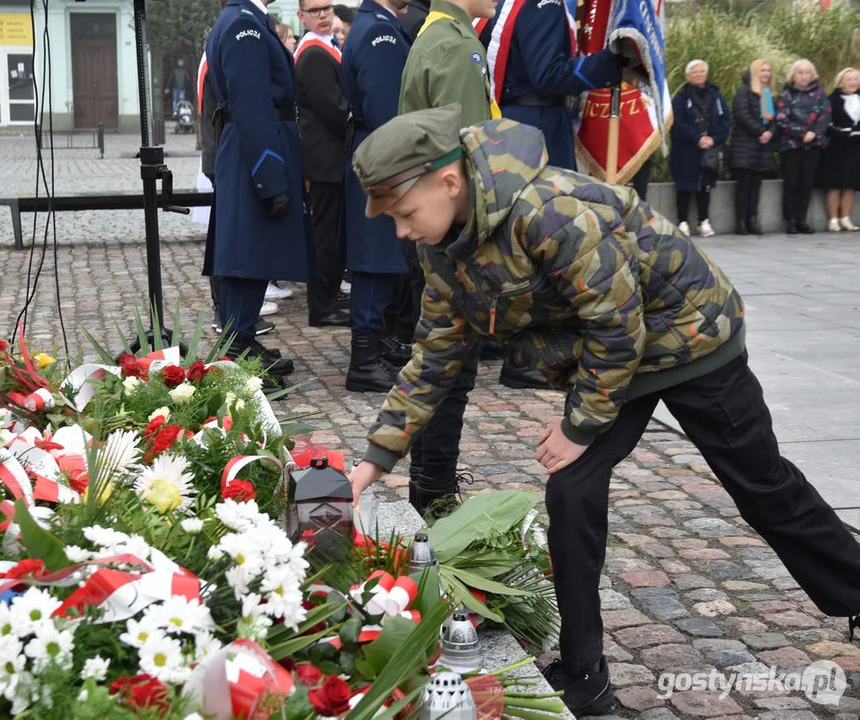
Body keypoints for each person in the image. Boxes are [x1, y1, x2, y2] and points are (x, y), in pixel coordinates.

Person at [347, 103, 860, 717]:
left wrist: (578, 426)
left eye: (405, 214)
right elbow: (434, 356)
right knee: (571, 489)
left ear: (449, 182)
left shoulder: (551, 211)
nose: (403, 231)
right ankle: (584, 672)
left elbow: (616, 326)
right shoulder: (445, 247)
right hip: (617, 357)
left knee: (760, 485)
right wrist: (373, 462)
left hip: (693, 336)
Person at [396, 0, 499, 515]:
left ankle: (428, 490)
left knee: (443, 367)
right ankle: (433, 500)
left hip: (433, 220)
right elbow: (473, 156)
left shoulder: (434, 34)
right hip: (456, 230)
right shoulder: (458, 45)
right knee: (451, 374)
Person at [205, 0, 315, 381]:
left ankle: (241, 338)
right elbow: (252, 104)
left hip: (252, 148)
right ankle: (235, 351)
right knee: (247, 257)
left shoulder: (245, 19)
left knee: (250, 255)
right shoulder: (244, 24)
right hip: (257, 151)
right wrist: (270, 176)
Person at [343, 0, 414, 392]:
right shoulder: (379, 31)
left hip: (375, 152)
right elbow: (387, 111)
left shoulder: (375, 23)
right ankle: (364, 360)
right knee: (374, 261)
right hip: (383, 156)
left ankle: (371, 353)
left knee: (380, 259)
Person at [480, 0, 622, 171]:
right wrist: (610, 63)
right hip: (540, 128)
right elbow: (548, 74)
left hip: (512, 121)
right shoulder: (542, 3)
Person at [295, 0, 351, 328]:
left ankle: (329, 295)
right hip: (324, 158)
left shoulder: (325, 46)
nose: (323, 15)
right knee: (325, 236)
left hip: (328, 156)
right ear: (301, 16)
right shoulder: (314, 52)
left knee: (332, 234)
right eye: (315, 10)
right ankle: (322, 306)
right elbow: (333, 108)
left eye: (327, 8)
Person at [669, 59, 729, 238]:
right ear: (688, 76)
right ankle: (682, 221)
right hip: (686, 150)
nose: (699, 75)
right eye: (694, 72)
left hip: (709, 150)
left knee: (706, 187)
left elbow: (725, 121)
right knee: (684, 187)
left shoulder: (717, 96)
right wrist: (697, 138)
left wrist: (714, 139)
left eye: (702, 71)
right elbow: (677, 124)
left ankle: (704, 221)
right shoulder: (681, 98)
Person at [776, 59, 830, 235]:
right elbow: (782, 119)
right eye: (800, 72)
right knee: (792, 183)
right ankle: (790, 220)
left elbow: (825, 116)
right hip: (791, 145)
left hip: (813, 145)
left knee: (806, 184)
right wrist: (801, 134)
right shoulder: (786, 95)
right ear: (794, 75)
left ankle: (802, 219)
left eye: (807, 72)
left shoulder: (820, 94)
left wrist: (813, 133)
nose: (804, 76)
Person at [729, 59, 777, 236]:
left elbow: (774, 118)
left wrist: (770, 132)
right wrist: (760, 132)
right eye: (763, 70)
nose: (766, 73)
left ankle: (753, 219)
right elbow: (742, 115)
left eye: (768, 70)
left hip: (763, 147)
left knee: (756, 185)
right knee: (745, 185)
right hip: (746, 144)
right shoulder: (744, 91)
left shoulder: (768, 93)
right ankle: (741, 221)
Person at [818, 67, 860, 233]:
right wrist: (844, 133)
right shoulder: (831, 100)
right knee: (834, 184)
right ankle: (833, 219)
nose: (852, 82)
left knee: (851, 184)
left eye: (855, 79)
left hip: (856, 147)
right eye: (849, 79)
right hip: (836, 147)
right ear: (841, 81)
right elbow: (826, 124)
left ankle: (846, 218)